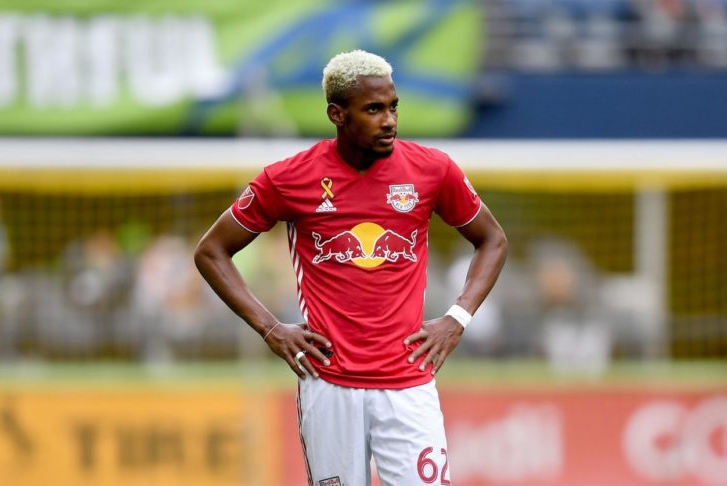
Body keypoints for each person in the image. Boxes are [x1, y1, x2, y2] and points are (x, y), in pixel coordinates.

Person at [194, 50, 507, 486]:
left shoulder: (431, 170)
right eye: (374, 109)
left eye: (393, 107)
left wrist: (457, 318)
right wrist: (270, 329)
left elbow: (492, 239)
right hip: (328, 384)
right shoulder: (289, 178)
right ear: (337, 114)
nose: (390, 121)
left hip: (408, 384)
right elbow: (211, 252)